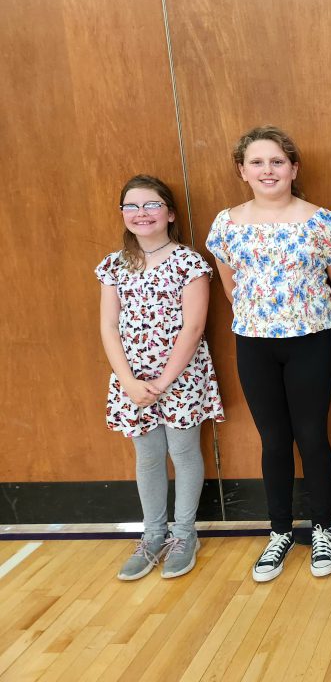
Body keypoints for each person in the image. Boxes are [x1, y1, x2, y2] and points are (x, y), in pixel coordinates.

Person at [206, 125, 331, 582]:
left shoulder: (321, 221)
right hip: (254, 344)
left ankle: (323, 528)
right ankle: (279, 531)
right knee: (273, 439)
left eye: (276, 161)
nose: (267, 170)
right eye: (257, 162)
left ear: (294, 168)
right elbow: (230, 286)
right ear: (242, 171)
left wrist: (314, 324)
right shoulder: (226, 224)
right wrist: (263, 321)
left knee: (312, 436)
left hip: (311, 342)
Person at [97, 175, 225, 581]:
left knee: (184, 452)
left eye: (151, 205)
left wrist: (165, 382)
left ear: (169, 212)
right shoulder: (114, 265)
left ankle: (184, 535)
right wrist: (130, 382)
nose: (142, 213)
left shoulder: (189, 263)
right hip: (132, 381)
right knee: (148, 456)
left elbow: (193, 327)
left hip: (180, 377)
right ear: (123, 215)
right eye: (132, 206)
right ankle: (153, 533)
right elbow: (108, 327)